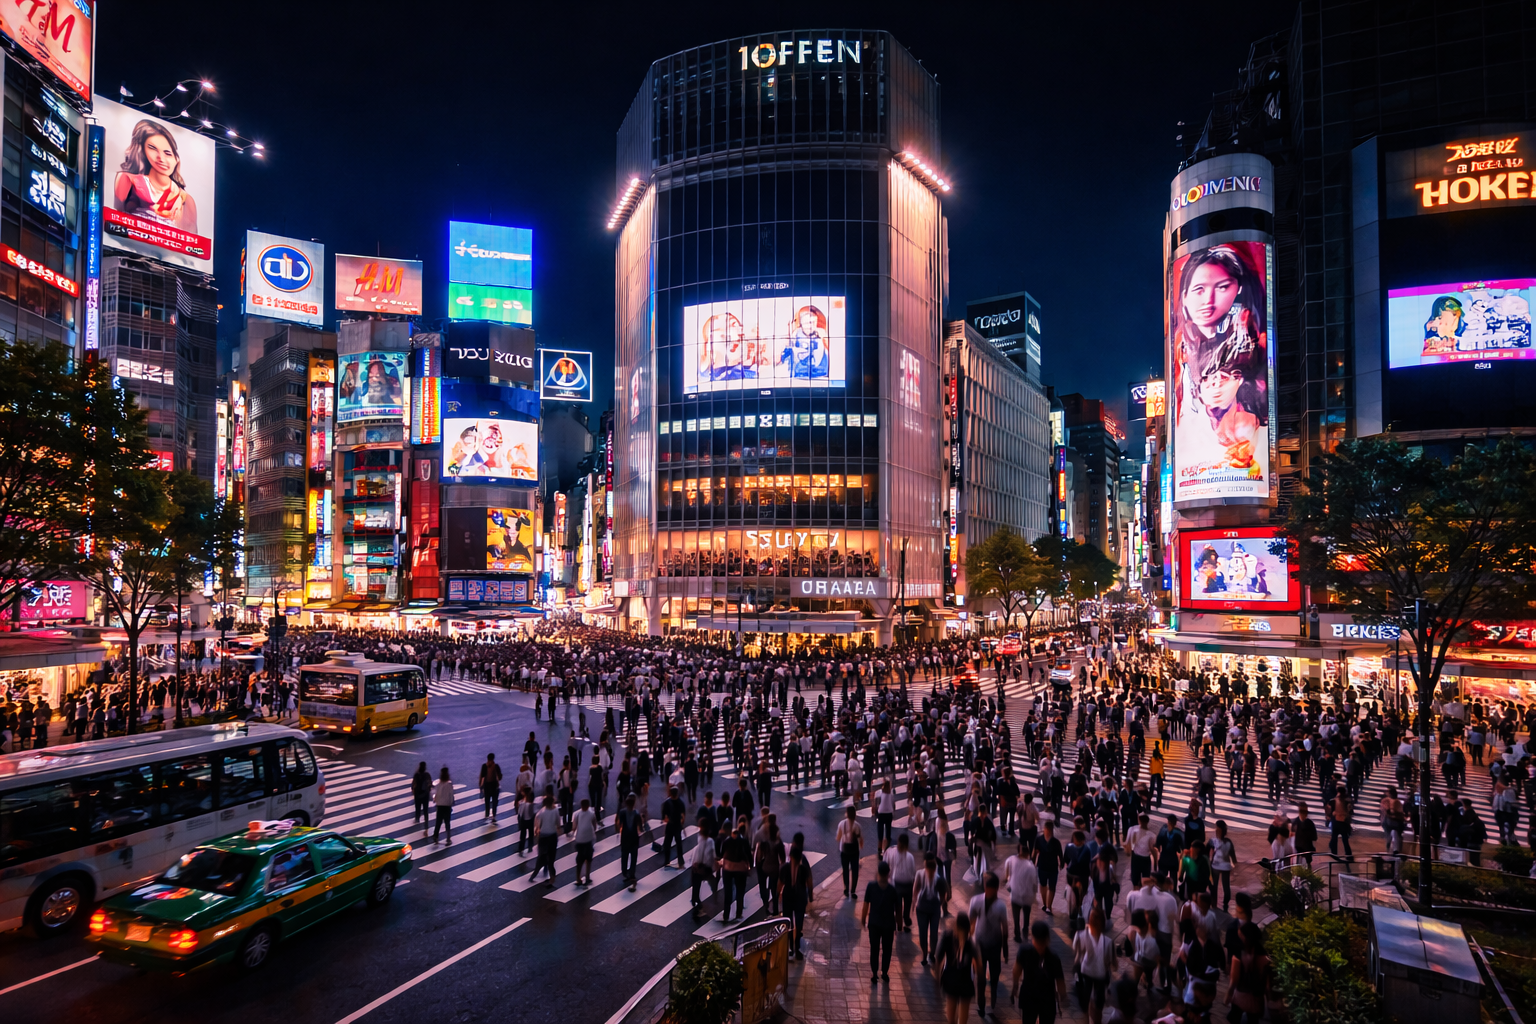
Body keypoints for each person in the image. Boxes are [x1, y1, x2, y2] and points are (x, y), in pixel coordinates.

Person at [114, 119, 199, 232]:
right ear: (143, 151)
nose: (161, 158)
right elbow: (114, 223)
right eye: (153, 149)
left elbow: (193, 242)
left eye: (167, 153)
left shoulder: (186, 199)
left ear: (176, 159)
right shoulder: (127, 179)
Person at [969, 872, 1011, 1019]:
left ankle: (993, 997)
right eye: (988, 888)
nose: (990, 891)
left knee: (994, 975)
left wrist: (1005, 950)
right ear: (985, 887)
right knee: (980, 977)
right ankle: (981, 1004)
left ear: (996, 889)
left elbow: (1005, 930)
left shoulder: (1001, 906)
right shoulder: (975, 901)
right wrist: (969, 944)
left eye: (992, 889)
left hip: (995, 944)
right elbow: (971, 924)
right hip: (979, 942)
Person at [1012, 919, 1067, 1024]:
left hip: (1029, 996)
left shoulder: (1024, 951)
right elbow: (1060, 982)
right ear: (1047, 939)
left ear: (1033, 938)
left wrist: (1015, 986)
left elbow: (1016, 970)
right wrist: (1063, 996)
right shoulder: (1053, 958)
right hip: (1047, 999)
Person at [933, 911, 982, 1024]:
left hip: (950, 980)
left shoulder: (947, 936)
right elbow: (978, 965)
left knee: (951, 1019)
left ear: (956, 925)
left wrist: (938, 977)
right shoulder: (971, 943)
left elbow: (938, 957)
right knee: (963, 1020)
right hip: (966, 982)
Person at [1071, 906, 1116, 1024]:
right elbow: (1113, 964)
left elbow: (1076, 951)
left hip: (1084, 973)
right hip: (1100, 976)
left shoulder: (1080, 936)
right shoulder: (1108, 942)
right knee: (1098, 1005)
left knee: (1085, 1005)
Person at [860, 860, 900, 982]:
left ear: (878, 872)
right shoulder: (893, 890)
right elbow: (898, 910)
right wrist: (899, 925)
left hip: (874, 924)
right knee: (887, 949)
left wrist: (863, 920)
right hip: (888, 925)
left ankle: (874, 973)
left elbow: (866, 905)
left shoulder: (871, 887)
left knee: (874, 949)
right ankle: (884, 972)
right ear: (889, 874)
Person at [779, 833, 814, 959]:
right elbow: (809, 882)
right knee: (798, 923)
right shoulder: (804, 868)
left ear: (789, 856)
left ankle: (790, 948)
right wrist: (810, 896)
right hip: (800, 898)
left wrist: (778, 896)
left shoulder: (785, 868)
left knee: (788, 923)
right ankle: (797, 948)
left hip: (788, 897)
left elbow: (780, 883)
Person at [1227, 922, 1270, 1024]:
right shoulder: (1265, 958)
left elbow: (1234, 981)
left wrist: (1228, 995)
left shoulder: (1238, 956)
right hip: (1257, 1001)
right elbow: (1267, 984)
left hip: (1240, 998)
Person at [1004, 839, 1040, 942]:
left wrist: (1008, 880)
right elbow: (1034, 883)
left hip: (1015, 894)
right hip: (1027, 896)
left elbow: (1007, 871)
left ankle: (1017, 934)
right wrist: (1034, 896)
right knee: (1026, 915)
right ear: (1027, 854)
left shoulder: (1011, 860)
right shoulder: (1030, 866)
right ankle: (1025, 929)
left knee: (1016, 916)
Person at [915, 853, 948, 966]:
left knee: (934, 932)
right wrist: (914, 902)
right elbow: (916, 889)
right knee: (922, 932)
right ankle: (924, 954)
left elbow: (944, 894)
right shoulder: (920, 874)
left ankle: (932, 953)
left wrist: (940, 904)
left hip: (934, 908)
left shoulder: (938, 878)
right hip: (922, 908)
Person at [720, 818, 752, 921]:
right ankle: (738, 913)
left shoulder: (727, 841)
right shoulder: (744, 841)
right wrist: (750, 866)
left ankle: (726, 914)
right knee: (740, 891)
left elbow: (721, 853)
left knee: (728, 892)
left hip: (728, 868)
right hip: (741, 869)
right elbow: (749, 855)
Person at [884, 832, 918, 931]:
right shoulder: (910, 856)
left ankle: (898, 924)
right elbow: (913, 872)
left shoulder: (894, 854)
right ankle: (906, 918)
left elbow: (891, 867)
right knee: (907, 904)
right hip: (908, 884)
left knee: (898, 905)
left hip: (897, 883)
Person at [617, 793, 649, 891]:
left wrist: (619, 830)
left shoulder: (622, 812)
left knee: (624, 855)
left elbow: (619, 824)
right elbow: (640, 828)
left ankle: (625, 872)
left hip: (625, 837)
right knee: (634, 856)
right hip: (634, 837)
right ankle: (632, 874)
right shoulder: (636, 814)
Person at [688, 821, 719, 912]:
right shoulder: (710, 841)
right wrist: (713, 865)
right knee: (713, 882)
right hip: (705, 868)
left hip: (696, 865)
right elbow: (709, 856)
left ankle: (695, 899)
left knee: (696, 884)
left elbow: (697, 853)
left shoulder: (699, 840)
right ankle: (715, 897)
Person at [532, 795, 561, 886]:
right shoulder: (556, 810)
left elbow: (537, 827)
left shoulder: (541, 812)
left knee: (541, 856)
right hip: (552, 836)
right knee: (551, 859)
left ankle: (534, 874)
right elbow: (558, 824)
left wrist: (536, 834)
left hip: (543, 837)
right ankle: (552, 877)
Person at [837, 806, 864, 897]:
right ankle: (853, 890)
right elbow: (861, 840)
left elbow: (838, 838)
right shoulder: (858, 826)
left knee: (845, 869)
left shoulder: (842, 824)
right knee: (855, 870)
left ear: (846, 813)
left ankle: (846, 888)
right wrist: (861, 846)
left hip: (844, 850)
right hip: (854, 851)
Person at [572, 798, 597, 886]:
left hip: (579, 839)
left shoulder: (577, 814)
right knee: (588, 859)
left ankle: (578, 878)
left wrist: (574, 832)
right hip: (589, 839)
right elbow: (594, 825)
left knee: (579, 860)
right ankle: (587, 876)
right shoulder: (591, 814)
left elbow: (574, 826)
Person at [432, 765, 455, 844]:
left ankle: (435, 836)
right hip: (447, 805)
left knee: (438, 822)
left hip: (440, 805)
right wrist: (451, 803)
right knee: (447, 822)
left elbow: (436, 794)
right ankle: (448, 838)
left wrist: (436, 801)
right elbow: (451, 795)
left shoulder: (439, 784)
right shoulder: (449, 784)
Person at [479, 752, 503, 822]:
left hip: (489, 786)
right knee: (493, 801)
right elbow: (500, 777)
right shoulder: (495, 766)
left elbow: (482, 777)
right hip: (493, 786)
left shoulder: (487, 766)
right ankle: (492, 815)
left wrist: (481, 786)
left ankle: (489, 815)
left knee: (489, 801)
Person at [411, 761, 433, 831]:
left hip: (417, 794)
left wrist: (413, 791)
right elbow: (430, 784)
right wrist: (428, 790)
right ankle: (426, 824)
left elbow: (413, 784)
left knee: (418, 807)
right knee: (425, 809)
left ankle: (417, 818)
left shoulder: (416, 775)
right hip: (425, 795)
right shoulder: (427, 775)